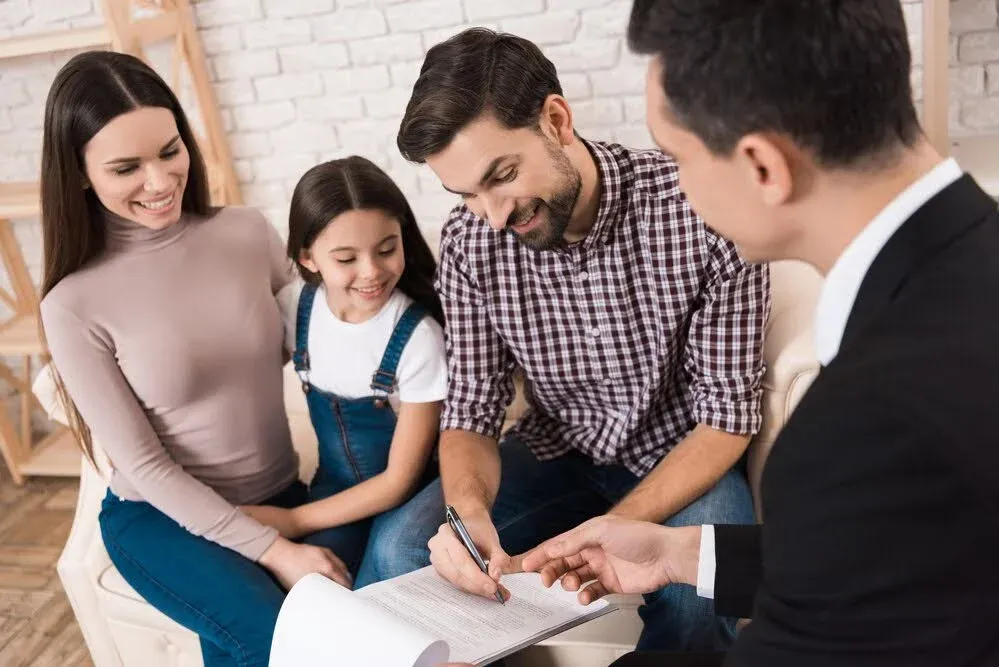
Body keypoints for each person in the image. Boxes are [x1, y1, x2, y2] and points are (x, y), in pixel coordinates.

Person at [514, 1, 999, 666]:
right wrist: (683, 552)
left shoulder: (858, 425)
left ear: (764, 166)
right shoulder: (972, 256)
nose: (677, 186)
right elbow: (908, 546)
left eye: (676, 157)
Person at [366, 27, 771, 652]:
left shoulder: (701, 210)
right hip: (556, 450)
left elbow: (725, 418)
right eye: (466, 194)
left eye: (501, 176)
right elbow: (473, 410)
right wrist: (467, 511)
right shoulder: (469, 240)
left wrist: (617, 527)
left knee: (701, 594)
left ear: (556, 119)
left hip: (682, 456)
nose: (493, 214)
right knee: (399, 548)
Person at [38, 51, 349, 667]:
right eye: (127, 167)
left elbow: (324, 345)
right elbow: (144, 469)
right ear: (78, 174)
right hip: (159, 521)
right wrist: (275, 550)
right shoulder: (71, 304)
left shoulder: (246, 233)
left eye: (170, 150)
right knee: (297, 645)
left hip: (280, 491)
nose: (159, 181)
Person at [239, 156, 447, 581]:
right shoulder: (295, 308)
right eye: (346, 258)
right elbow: (236, 379)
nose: (371, 271)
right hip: (333, 490)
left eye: (387, 249)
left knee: (378, 588)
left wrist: (293, 521)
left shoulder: (417, 336)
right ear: (308, 257)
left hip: (411, 492)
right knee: (313, 587)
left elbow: (398, 482)